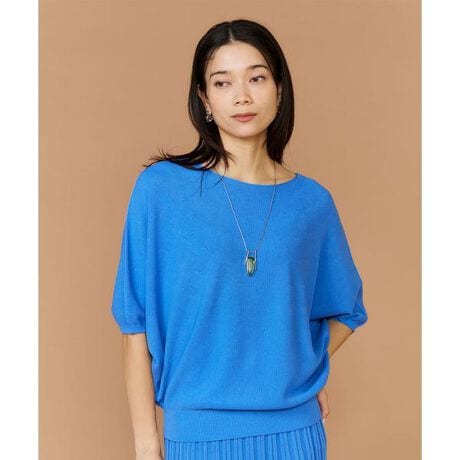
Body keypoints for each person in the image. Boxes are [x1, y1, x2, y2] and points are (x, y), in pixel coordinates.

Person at [111, 18, 369, 460]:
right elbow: (135, 323)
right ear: (204, 99)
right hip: (197, 434)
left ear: (279, 89)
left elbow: (347, 308)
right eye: (222, 82)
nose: (242, 96)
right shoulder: (161, 191)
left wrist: (303, 369)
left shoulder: (311, 203)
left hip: (294, 433)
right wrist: (146, 442)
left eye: (257, 78)